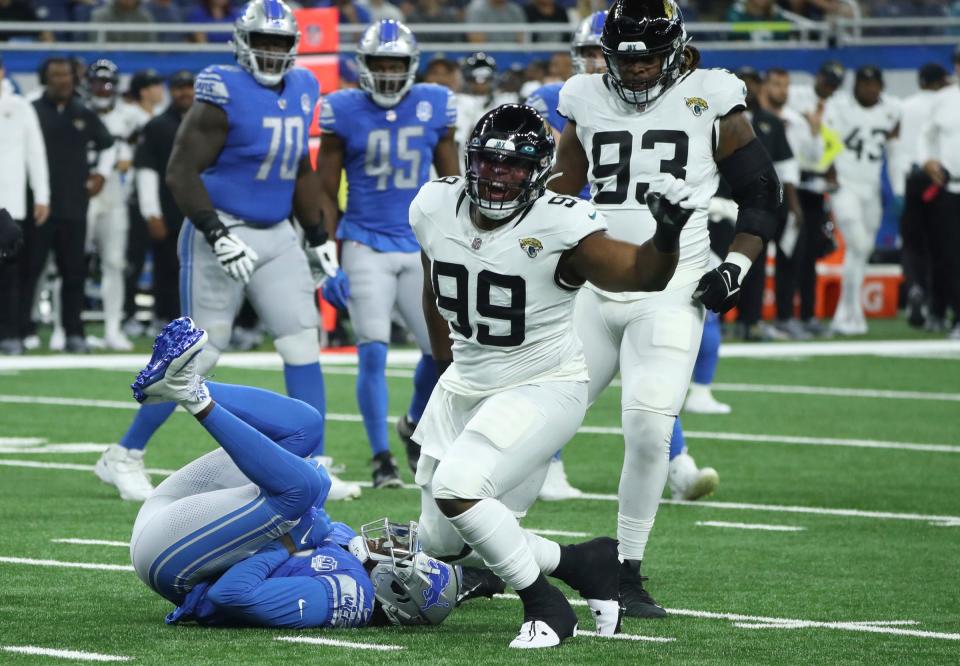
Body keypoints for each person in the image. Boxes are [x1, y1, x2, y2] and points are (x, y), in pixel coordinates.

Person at [412, 103, 698, 647]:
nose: (498, 177)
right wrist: (443, 360)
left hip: (540, 382)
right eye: (490, 163)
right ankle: (582, 561)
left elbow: (642, 274)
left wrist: (666, 234)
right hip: (466, 382)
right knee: (441, 543)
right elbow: (435, 279)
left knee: (458, 487)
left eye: (514, 167)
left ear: (540, 174)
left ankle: (546, 606)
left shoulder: (563, 224)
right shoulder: (433, 204)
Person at [549, 0, 781, 618]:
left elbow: (761, 190)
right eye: (625, 57)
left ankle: (625, 569)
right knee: (541, 417)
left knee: (651, 427)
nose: (637, 69)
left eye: (648, 56)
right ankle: (500, 558)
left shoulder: (712, 94)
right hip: (594, 290)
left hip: (674, 289)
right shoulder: (584, 96)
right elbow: (560, 189)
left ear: (675, 50)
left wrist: (736, 266)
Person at [97, 0, 358, 503]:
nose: (270, 51)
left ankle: (312, 462)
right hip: (222, 228)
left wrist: (318, 235)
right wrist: (216, 231)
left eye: (279, 42)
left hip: (277, 229)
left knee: (303, 341)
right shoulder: (221, 88)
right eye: (262, 41)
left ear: (294, 46)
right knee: (199, 355)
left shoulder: (304, 86)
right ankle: (123, 454)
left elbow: (298, 168)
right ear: (242, 43)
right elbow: (180, 170)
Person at [129, 317, 458, 629]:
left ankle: (190, 395)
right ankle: (183, 385)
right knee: (305, 428)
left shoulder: (351, 596)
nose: (396, 544)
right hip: (174, 515)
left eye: (406, 558)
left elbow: (229, 594)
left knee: (303, 487)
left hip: (172, 565)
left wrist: (289, 543)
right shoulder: (352, 553)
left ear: (397, 591)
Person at [317, 19, 460, 488]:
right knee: (372, 351)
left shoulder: (434, 103)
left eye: (395, 64)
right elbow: (324, 188)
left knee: (445, 353)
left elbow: (453, 183)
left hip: (420, 245)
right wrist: (328, 256)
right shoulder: (342, 109)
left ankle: (414, 424)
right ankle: (382, 458)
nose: (387, 72)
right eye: (379, 63)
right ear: (363, 65)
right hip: (364, 241)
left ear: (410, 66)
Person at [28, 57, 115, 354]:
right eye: (55, 76)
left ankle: (73, 333)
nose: (61, 81)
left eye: (65, 75)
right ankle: (21, 330)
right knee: (29, 270)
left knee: (74, 273)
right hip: (38, 206)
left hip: (74, 206)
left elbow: (108, 144)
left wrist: (101, 173)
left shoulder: (83, 112)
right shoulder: (32, 111)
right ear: (45, 78)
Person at [824, 66, 900, 336]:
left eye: (874, 83)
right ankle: (851, 311)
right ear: (855, 85)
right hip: (845, 185)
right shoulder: (839, 106)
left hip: (871, 188)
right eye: (865, 83)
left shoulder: (892, 109)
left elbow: (895, 150)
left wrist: (898, 188)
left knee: (860, 253)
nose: (870, 88)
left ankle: (846, 316)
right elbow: (827, 142)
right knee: (859, 244)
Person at [762, 67, 826, 336]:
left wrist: (814, 131)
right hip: (759, 194)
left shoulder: (796, 120)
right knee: (752, 258)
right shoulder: (750, 117)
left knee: (792, 257)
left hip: (790, 196)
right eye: (777, 84)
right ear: (765, 86)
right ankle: (744, 319)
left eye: (786, 85)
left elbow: (813, 158)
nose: (783, 91)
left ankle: (785, 316)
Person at [785, 59, 845, 337]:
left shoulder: (837, 109)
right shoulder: (797, 96)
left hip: (816, 187)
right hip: (792, 183)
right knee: (790, 255)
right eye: (827, 81)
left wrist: (832, 172)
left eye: (834, 85)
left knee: (810, 256)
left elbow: (833, 148)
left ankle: (808, 314)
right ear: (818, 77)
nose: (829, 88)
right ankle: (785, 315)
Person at [84, 60, 141, 351]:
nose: (102, 89)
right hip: (81, 193)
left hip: (116, 196)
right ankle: (62, 327)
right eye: (97, 83)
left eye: (107, 84)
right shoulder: (77, 112)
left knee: (115, 263)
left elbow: (153, 128)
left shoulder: (130, 115)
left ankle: (112, 328)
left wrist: (131, 153)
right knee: (68, 264)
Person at [134, 70, 196, 325]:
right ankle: (165, 321)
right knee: (167, 270)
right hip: (169, 211)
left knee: (202, 272)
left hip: (201, 213)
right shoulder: (158, 125)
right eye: (179, 87)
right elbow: (146, 170)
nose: (184, 92)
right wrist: (152, 212)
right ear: (171, 91)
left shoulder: (209, 123)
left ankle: (199, 322)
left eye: (189, 87)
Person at [0, 53, 49, 356]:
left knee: (10, 274)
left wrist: (42, 195)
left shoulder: (20, 107)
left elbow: (36, 153)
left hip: (11, 205)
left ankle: (10, 333)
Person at [896, 63, 948, 328]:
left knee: (912, 244)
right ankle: (936, 307)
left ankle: (915, 286)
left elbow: (892, 136)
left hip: (910, 179)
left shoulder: (905, 106)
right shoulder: (944, 103)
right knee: (940, 246)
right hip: (940, 180)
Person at [919, 48, 960, 339]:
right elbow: (925, 134)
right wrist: (927, 160)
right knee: (949, 255)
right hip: (949, 186)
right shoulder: (944, 100)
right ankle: (955, 315)